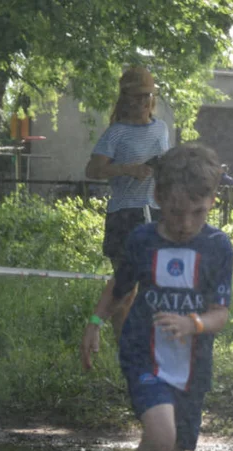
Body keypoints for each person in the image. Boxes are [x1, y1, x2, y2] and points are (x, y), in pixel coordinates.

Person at [81, 143, 233, 451]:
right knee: (161, 436)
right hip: (143, 355)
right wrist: (94, 323)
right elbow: (120, 286)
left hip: (192, 365)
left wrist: (195, 325)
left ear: (211, 203)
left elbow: (221, 312)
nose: (186, 224)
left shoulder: (219, 247)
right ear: (159, 200)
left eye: (197, 213)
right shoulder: (142, 239)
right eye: (175, 213)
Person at [85, 66, 171, 340]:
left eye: (146, 96)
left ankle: (147, 344)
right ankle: (121, 347)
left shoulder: (161, 129)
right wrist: (127, 169)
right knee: (126, 286)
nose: (142, 102)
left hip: (155, 213)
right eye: (135, 96)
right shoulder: (116, 133)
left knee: (155, 283)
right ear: (125, 99)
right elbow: (93, 170)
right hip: (125, 213)